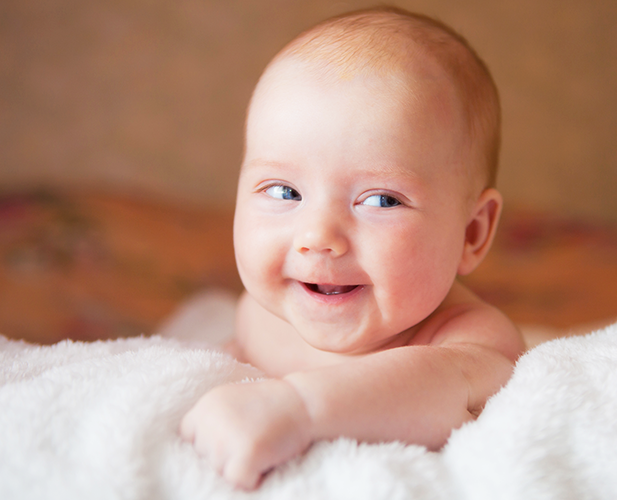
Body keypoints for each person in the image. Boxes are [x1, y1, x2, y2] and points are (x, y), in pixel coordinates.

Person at [179, 6, 526, 490]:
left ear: (472, 233)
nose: (318, 236)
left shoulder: (471, 343)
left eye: (381, 200)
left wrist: (299, 409)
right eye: (283, 191)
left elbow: (441, 391)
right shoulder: (258, 316)